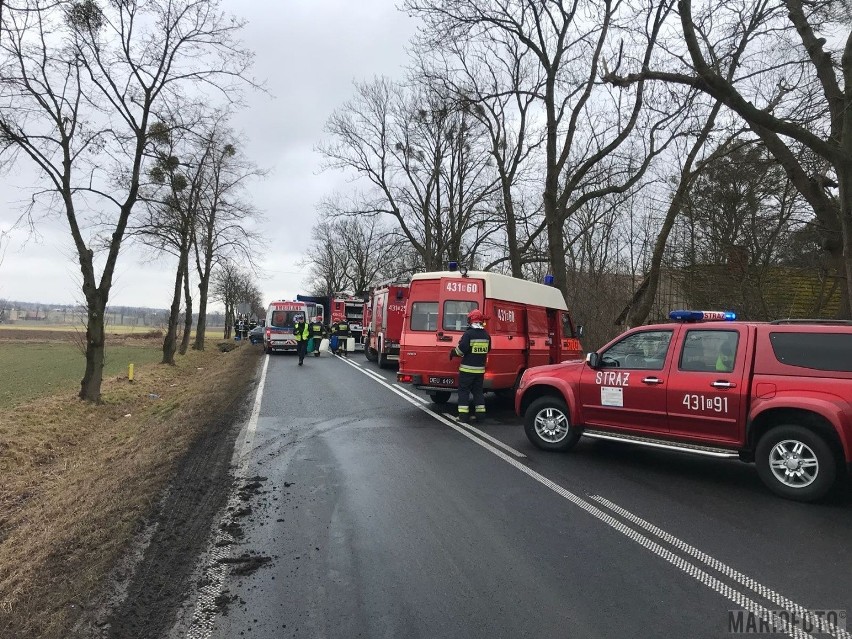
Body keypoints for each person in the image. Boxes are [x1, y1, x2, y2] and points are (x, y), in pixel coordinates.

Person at [450, 309, 491, 423]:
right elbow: (488, 349)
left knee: (464, 392)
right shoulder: (486, 335)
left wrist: (453, 352)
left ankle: (463, 416)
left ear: (471, 320)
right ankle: (480, 416)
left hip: (467, 370)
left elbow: (461, 350)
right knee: (478, 392)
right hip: (480, 371)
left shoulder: (468, 334)